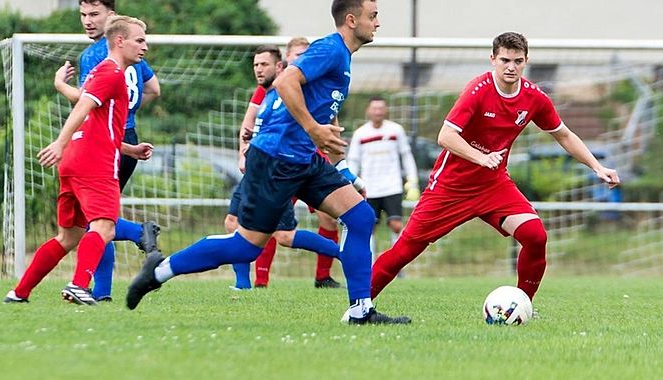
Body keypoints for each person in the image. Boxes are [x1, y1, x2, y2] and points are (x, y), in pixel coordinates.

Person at [127, 0, 410, 325]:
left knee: (361, 217)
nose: (377, 22)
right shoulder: (330, 49)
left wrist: (324, 137)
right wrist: (312, 127)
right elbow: (286, 80)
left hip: (303, 158)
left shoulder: (342, 55)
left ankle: (360, 311)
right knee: (246, 247)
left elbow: (312, 101)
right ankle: (158, 270)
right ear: (352, 20)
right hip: (275, 158)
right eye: (372, 15)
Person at [370, 32, 619, 302]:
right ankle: (359, 306)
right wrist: (481, 157)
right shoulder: (478, 90)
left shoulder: (534, 98)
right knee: (406, 249)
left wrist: (597, 167)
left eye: (517, 61)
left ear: (525, 61)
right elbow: (446, 136)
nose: (511, 66)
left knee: (535, 236)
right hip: (451, 187)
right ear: (493, 60)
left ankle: (521, 305)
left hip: (493, 186)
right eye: (505, 60)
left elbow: (564, 135)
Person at [4, 16, 154, 305]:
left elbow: (97, 124)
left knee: (69, 236)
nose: (144, 46)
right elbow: (83, 107)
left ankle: (19, 292)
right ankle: (78, 285)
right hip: (94, 163)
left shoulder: (101, 71)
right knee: (104, 227)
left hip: (75, 160)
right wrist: (59, 141)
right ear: (119, 41)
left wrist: (128, 149)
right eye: (140, 40)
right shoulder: (111, 73)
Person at [53, 0, 161, 302]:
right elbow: (154, 89)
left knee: (98, 221)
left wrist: (61, 85)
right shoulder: (132, 50)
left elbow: (86, 100)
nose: (87, 21)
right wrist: (127, 108)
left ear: (111, 16)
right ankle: (101, 293)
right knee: (98, 220)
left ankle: (138, 235)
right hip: (125, 139)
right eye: (83, 15)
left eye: (95, 14)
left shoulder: (98, 53)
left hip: (107, 144)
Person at [224, 43, 345, 290]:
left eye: (263, 64)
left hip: (288, 165)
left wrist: (339, 163)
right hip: (263, 162)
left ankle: (340, 258)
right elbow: (251, 123)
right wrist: (244, 151)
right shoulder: (266, 90)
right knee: (233, 222)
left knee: (287, 235)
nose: (258, 69)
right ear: (287, 59)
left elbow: (326, 122)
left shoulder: (303, 88)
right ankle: (246, 284)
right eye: (256, 65)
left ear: (280, 65)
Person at [347, 96, 419, 255]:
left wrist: (412, 181)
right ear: (368, 111)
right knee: (368, 227)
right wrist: (352, 184)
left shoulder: (395, 130)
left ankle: (397, 263)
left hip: (392, 186)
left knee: (396, 225)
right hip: (369, 188)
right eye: (374, 108)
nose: (377, 112)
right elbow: (353, 161)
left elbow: (406, 156)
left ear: (385, 110)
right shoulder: (361, 134)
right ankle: (371, 266)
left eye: (380, 108)